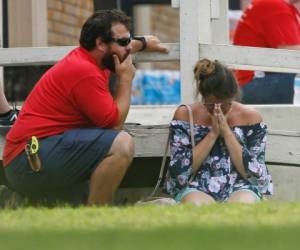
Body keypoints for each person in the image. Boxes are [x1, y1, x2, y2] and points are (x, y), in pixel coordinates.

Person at [2, 9, 168, 205]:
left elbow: (122, 45)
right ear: (100, 44)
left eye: (128, 40)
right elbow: (114, 126)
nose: (129, 48)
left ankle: (19, 200)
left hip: (37, 154)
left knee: (77, 200)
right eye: (124, 42)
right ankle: (97, 215)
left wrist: (144, 42)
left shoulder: (92, 58)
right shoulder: (84, 71)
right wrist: (125, 79)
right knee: (122, 144)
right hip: (28, 161)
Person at [164, 59, 273, 205]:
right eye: (211, 105)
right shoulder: (185, 115)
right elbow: (179, 173)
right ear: (203, 98)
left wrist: (227, 132)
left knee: (243, 206)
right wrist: (213, 134)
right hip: (196, 185)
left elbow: (255, 174)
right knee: (195, 206)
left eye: (225, 104)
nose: (218, 110)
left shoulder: (250, 117)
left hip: (240, 185)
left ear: (233, 97)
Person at [233, 0, 300, 104]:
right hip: (250, 85)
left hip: (249, 83)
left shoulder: (278, 5)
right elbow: (293, 56)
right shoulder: (276, 5)